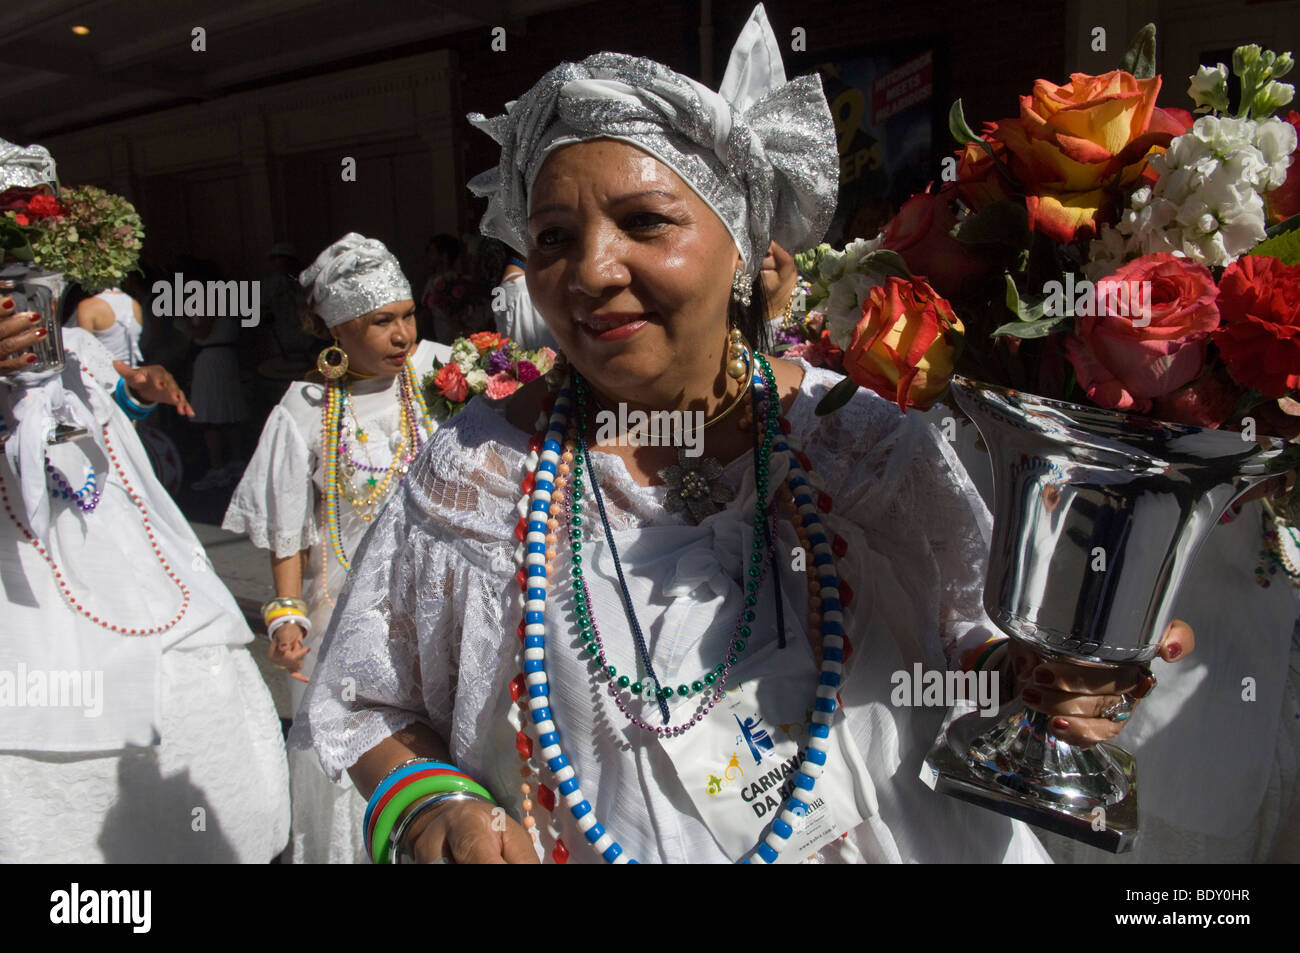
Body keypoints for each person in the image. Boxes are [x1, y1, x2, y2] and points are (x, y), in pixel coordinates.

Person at [294, 4, 1191, 864]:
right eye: (555, 237)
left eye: (645, 221)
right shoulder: (479, 477)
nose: (591, 271)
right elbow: (370, 699)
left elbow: (963, 647)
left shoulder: (867, 447)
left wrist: (1044, 674)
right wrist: (432, 806)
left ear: (753, 256)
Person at [0, 138, 289, 860]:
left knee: (187, 681)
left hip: (127, 550)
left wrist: (142, 387)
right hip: (24, 578)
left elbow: (107, 391)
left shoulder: (76, 346)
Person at [222, 232, 449, 863]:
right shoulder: (304, 410)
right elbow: (288, 529)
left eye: (408, 316)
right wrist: (287, 612)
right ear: (338, 331)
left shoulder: (440, 373)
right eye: (382, 322)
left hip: (433, 591)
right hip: (342, 605)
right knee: (356, 736)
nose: (402, 335)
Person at [71, 286, 144, 367]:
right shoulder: (134, 304)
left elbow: (83, 353)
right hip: (130, 373)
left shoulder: (88, 306)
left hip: (101, 375)